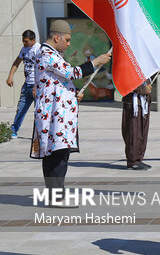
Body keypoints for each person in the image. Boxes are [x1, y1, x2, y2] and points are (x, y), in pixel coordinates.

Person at [31, 20, 111, 206]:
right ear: (57, 37)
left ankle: (54, 196)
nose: (68, 44)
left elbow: (56, 82)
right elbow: (70, 72)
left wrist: (72, 94)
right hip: (54, 116)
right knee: (58, 154)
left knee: (55, 154)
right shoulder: (46, 54)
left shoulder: (52, 54)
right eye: (67, 40)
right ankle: (57, 197)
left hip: (58, 113)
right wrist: (96, 61)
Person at [6, 30, 41, 139]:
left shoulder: (39, 50)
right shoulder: (24, 49)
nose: (24, 43)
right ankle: (13, 131)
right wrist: (10, 76)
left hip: (38, 86)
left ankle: (40, 134)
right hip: (27, 86)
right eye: (23, 41)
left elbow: (41, 69)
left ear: (33, 40)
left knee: (39, 112)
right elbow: (16, 63)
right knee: (20, 109)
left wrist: (36, 85)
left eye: (26, 41)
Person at [122, 78, 154, 170]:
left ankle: (138, 158)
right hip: (132, 103)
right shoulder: (127, 64)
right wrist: (143, 89)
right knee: (133, 133)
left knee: (142, 133)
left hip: (144, 101)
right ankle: (133, 161)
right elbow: (126, 82)